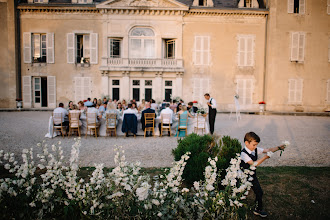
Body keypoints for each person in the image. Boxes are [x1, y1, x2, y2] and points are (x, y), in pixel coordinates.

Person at [240, 132, 286, 218]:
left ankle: (258, 209)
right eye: (254, 145)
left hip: (252, 176)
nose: (255, 147)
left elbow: (268, 150)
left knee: (259, 192)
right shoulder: (243, 154)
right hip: (243, 175)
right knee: (240, 192)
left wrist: (279, 147)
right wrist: (265, 158)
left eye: (256, 145)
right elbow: (253, 164)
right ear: (246, 143)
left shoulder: (255, 149)